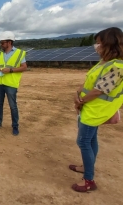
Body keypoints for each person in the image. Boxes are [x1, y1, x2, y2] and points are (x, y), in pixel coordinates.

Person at [69, 27, 123, 192]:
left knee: (83, 141)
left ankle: (88, 180)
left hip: (95, 109)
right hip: (91, 107)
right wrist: (78, 92)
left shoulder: (116, 66)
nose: (96, 46)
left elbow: (99, 90)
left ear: (109, 44)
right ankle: (87, 167)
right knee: (91, 140)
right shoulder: (105, 62)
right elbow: (90, 82)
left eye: (99, 43)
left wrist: (80, 102)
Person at [0, 31, 27, 136]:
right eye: (0, 43)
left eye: (2, 43)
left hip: (11, 84)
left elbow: (24, 67)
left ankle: (15, 126)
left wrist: (10, 70)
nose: (1, 45)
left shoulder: (19, 53)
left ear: (9, 42)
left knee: (13, 106)